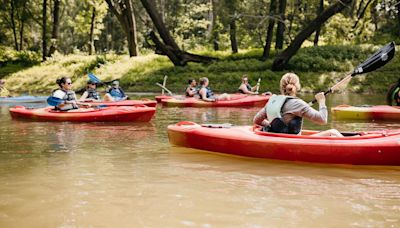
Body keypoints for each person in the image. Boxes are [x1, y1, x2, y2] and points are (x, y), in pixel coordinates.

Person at [253, 73, 343, 137]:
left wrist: (271, 125)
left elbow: (257, 120)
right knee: (333, 132)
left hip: (279, 140)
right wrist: (322, 101)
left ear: (281, 87)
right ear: (297, 86)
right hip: (292, 142)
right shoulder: (298, 104)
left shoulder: (272, 102)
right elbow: (323, 120)